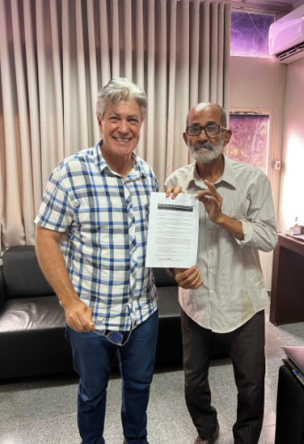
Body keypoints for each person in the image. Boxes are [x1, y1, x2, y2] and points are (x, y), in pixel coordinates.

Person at [34, 78, 171, 444]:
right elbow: (45, 237)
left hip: (143, 313)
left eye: (132, 119)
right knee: (92, 395)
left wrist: (176, 212)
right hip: (90, 320)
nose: (123, 128)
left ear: (142, 124)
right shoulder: (70, 172)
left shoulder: (147, 176)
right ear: (99, 120)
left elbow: (157, 238)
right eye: (114, 118)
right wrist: (69, 301)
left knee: (139, 392)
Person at [165, 102, 277, 444]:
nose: (203, 136)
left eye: (211, 127)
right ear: (186, 137)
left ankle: (246, 438)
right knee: (193, 380)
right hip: (195, 301)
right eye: (195, 130)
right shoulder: (175, 183)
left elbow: (269, 237)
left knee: (252, 383)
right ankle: (207, 429)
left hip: (242, 299)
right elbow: (168, 243)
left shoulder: (253, 180)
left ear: (226, 134)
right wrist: (176, 270)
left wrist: (223, 219)